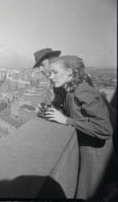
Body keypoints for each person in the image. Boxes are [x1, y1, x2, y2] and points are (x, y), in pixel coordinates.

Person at [44, 55, 114, 200]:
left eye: (55, 72)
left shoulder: (83, 91)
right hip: (87, 147)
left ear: (69, 72)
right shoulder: (71, 90)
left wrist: (66, 120)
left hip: (96, 152)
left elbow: (105, 129)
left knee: (87, 194)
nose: (50, 77)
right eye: (50, 73)